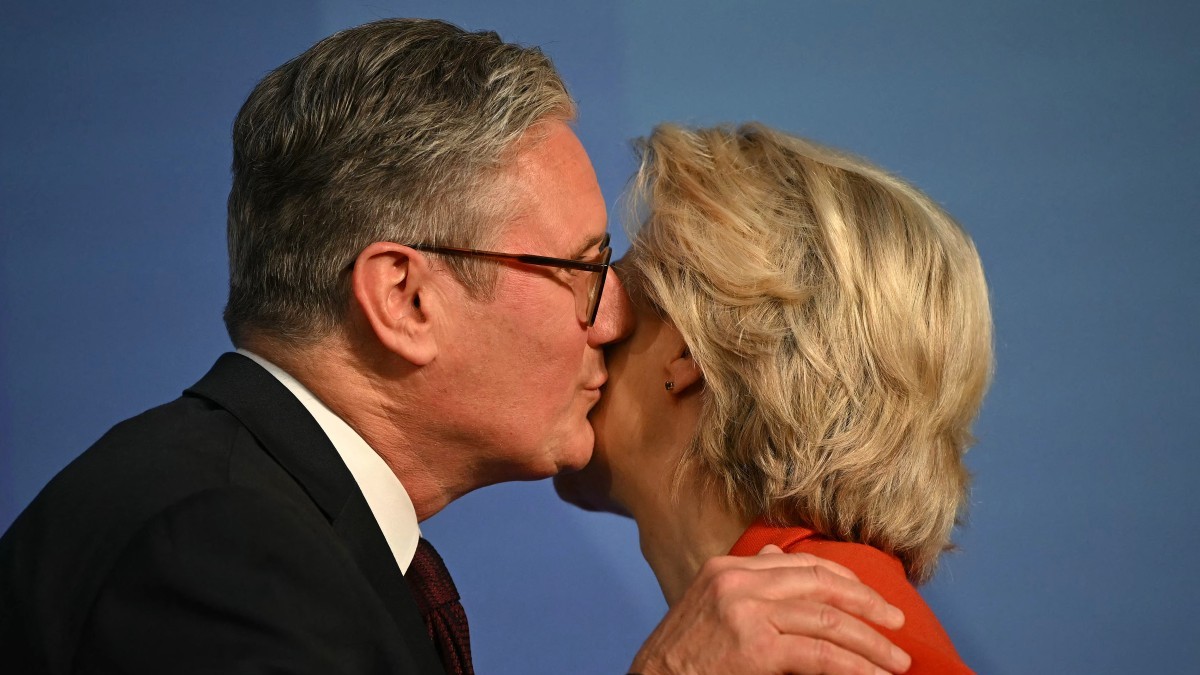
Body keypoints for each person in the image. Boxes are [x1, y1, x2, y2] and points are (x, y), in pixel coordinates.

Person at [0, 19, 912, 675]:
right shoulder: (217, 548)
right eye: (584, 270)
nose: (610, 319)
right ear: (405, 297)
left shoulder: (285, 523)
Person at [556, 123, 994, 674]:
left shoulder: (830, 651)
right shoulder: (831, 624)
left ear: (689, 351)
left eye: (614, 286)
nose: (590, 322)